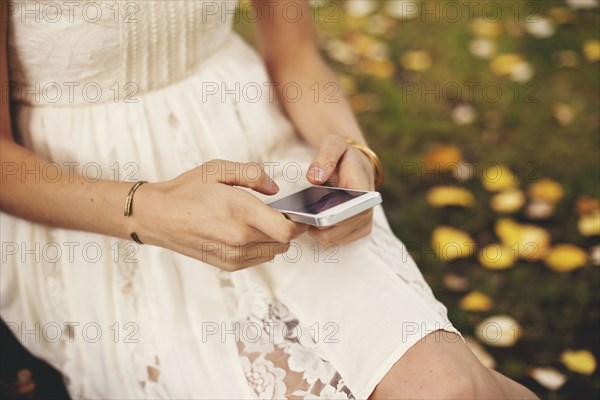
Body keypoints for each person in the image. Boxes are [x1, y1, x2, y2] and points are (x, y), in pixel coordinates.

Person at [0, 1, 538, 398]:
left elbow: (296, 53)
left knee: (450, 387)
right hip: (93, 212)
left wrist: (355, 154)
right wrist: (154, 213)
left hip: (264, 158)